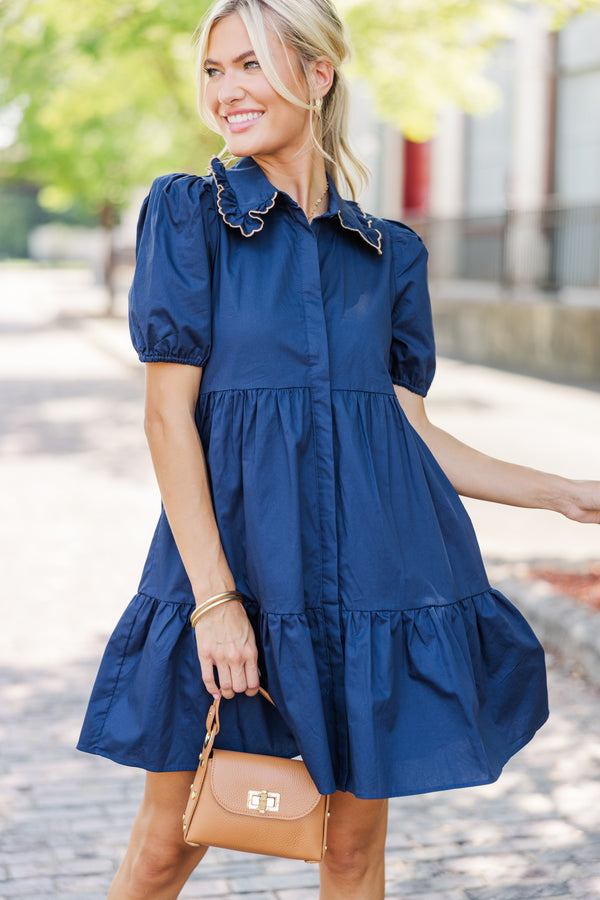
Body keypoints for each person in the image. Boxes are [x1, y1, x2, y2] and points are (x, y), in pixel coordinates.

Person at [77, 0, 600, 897]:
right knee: (167, 848)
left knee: (351, 854)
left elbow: (411, 437)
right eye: (214, 70)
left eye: (251, 65)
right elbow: (168, 420)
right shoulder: (190, 216)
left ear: (318, 76)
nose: (228, 90)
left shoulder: (389, 255)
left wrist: (562, 491)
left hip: (367, 586)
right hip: (229, 576)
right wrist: (215, 603)